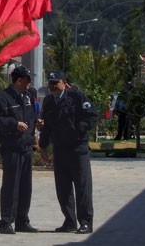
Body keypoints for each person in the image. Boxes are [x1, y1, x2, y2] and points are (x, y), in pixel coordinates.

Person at [39, 71, 98, 235]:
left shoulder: (77, 97)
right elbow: (47, 127)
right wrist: (43, 147)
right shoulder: (49, 101)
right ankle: (69, 221)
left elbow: (92, 116)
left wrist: (80, 129)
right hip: (60, 149)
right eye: (50, 83)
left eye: (55, 83)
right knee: (63, 189)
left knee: (82, 188)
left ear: (64, 82)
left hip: (78, 149)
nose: (52, 86)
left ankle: (86, 222)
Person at [0, 65, 38, 235]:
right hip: (12, 148)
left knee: (26, 187)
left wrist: (36, 126)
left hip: (26, 147)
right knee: (11, 186)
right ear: (19, 81)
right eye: (27, 80)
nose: (30, 84)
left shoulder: (28, 96)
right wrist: (14, 124)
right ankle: (6, 221)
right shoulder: (3, 98)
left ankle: (22, 220)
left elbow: (31, 117)